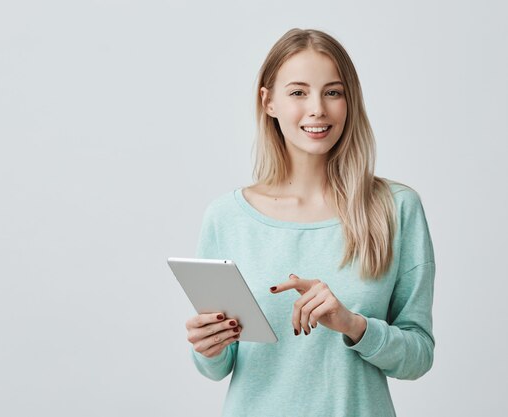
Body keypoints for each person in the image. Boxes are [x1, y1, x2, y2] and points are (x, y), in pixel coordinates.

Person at [184, 28, 436, 417]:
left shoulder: (396, 209)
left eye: (333, 92)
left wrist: (353, 324)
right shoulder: (227, 217)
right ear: (268, 102)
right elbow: (217, 366)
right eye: (298, 92)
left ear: (349, 102)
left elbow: (418, 357)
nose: (317, 108)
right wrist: (208, 346)